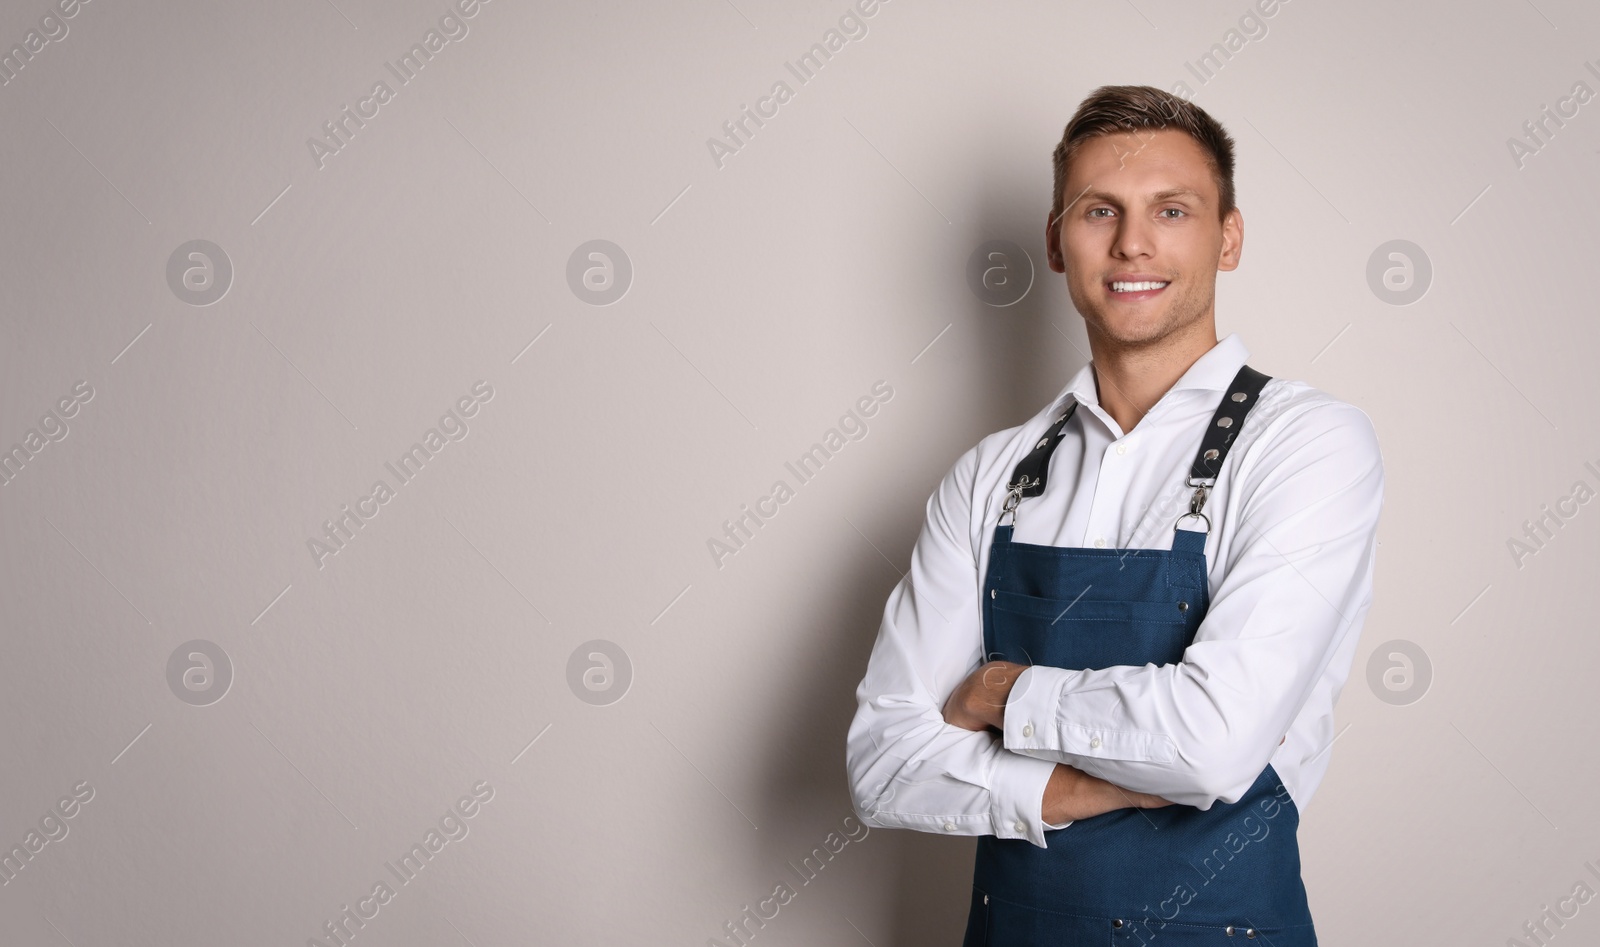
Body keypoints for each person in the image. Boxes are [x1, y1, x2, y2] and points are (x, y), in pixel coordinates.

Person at [844, 84, 1384, 945]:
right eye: (1100, 211)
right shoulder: (992, 474)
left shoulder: (1307, 444)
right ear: (1058, 243)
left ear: (1229, 237)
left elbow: (1210, 742)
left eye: (1172, 209)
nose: (1133, 242)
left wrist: (1000, 691)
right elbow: (883, 765)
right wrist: (1116, 779)